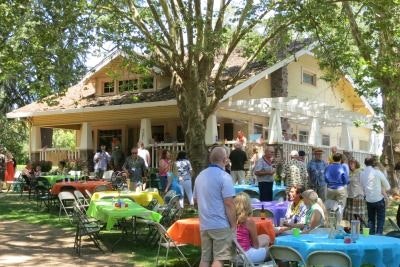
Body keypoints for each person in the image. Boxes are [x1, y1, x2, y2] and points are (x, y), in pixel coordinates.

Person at [193, 146, 236, 267]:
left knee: (205, 258)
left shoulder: (200, 176)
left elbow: (195, 201)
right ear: (224, 160)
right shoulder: (224, 176)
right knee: (219, 259)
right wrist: (233, 225)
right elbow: (229, 203)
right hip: (220, 224)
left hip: (205, 224)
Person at [234, 192, 269, 264]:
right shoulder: (248, 221)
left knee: (265, 237)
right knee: (271, 250)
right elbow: (256, 245)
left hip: (234, 254)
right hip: (246, 255)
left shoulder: (230, 219)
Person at [360, 157, 390, 235]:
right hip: (379, 199)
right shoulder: (377, 172)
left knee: (371, 219)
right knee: (380, 219)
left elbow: (362, 186)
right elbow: (388, 187)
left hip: (368, 199)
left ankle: (372, 236)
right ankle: (379, 235)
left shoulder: (362, 173)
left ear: (365, 163)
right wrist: (382, 190)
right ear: (373, 163)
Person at [343, 158, 366, 223]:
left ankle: (360, 225)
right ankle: (349, 226)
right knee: (349, 212)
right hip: (350, 195)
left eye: (353, 163)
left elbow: (364, 183)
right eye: (350, 163)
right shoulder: (349, 173)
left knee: (358, 213)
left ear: (356, 164)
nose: (351, 165)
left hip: (358, 195)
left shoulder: (360, 172)